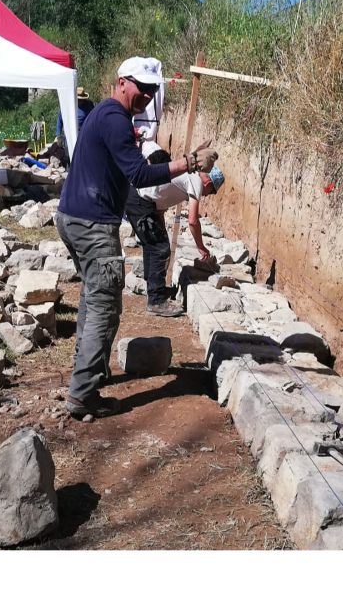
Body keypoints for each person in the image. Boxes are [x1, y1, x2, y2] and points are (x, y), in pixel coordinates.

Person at [57, 56, 218, 419]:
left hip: (76, 216)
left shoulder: (107, 115)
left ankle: (91, 374)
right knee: (104, 305)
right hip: (92, 223)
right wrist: (189, 163)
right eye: (140, 87)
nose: (146, 94)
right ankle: (82, 394)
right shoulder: (114, 118)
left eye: (152, 90)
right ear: (121, 82)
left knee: (93, 297)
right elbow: (141, 175)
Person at [127, 142, 223, 317]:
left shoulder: (185, 178)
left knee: (154, 245)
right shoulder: (196, 180)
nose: (208, 195)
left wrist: (161, 232)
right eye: (212, 191)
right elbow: (193, 221)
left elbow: (160, 206)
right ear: (208, 181)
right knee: (160, 249)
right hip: (141, 201)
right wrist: (202, 248)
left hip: (135, 198)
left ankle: (154, 287)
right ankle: (156, 301)